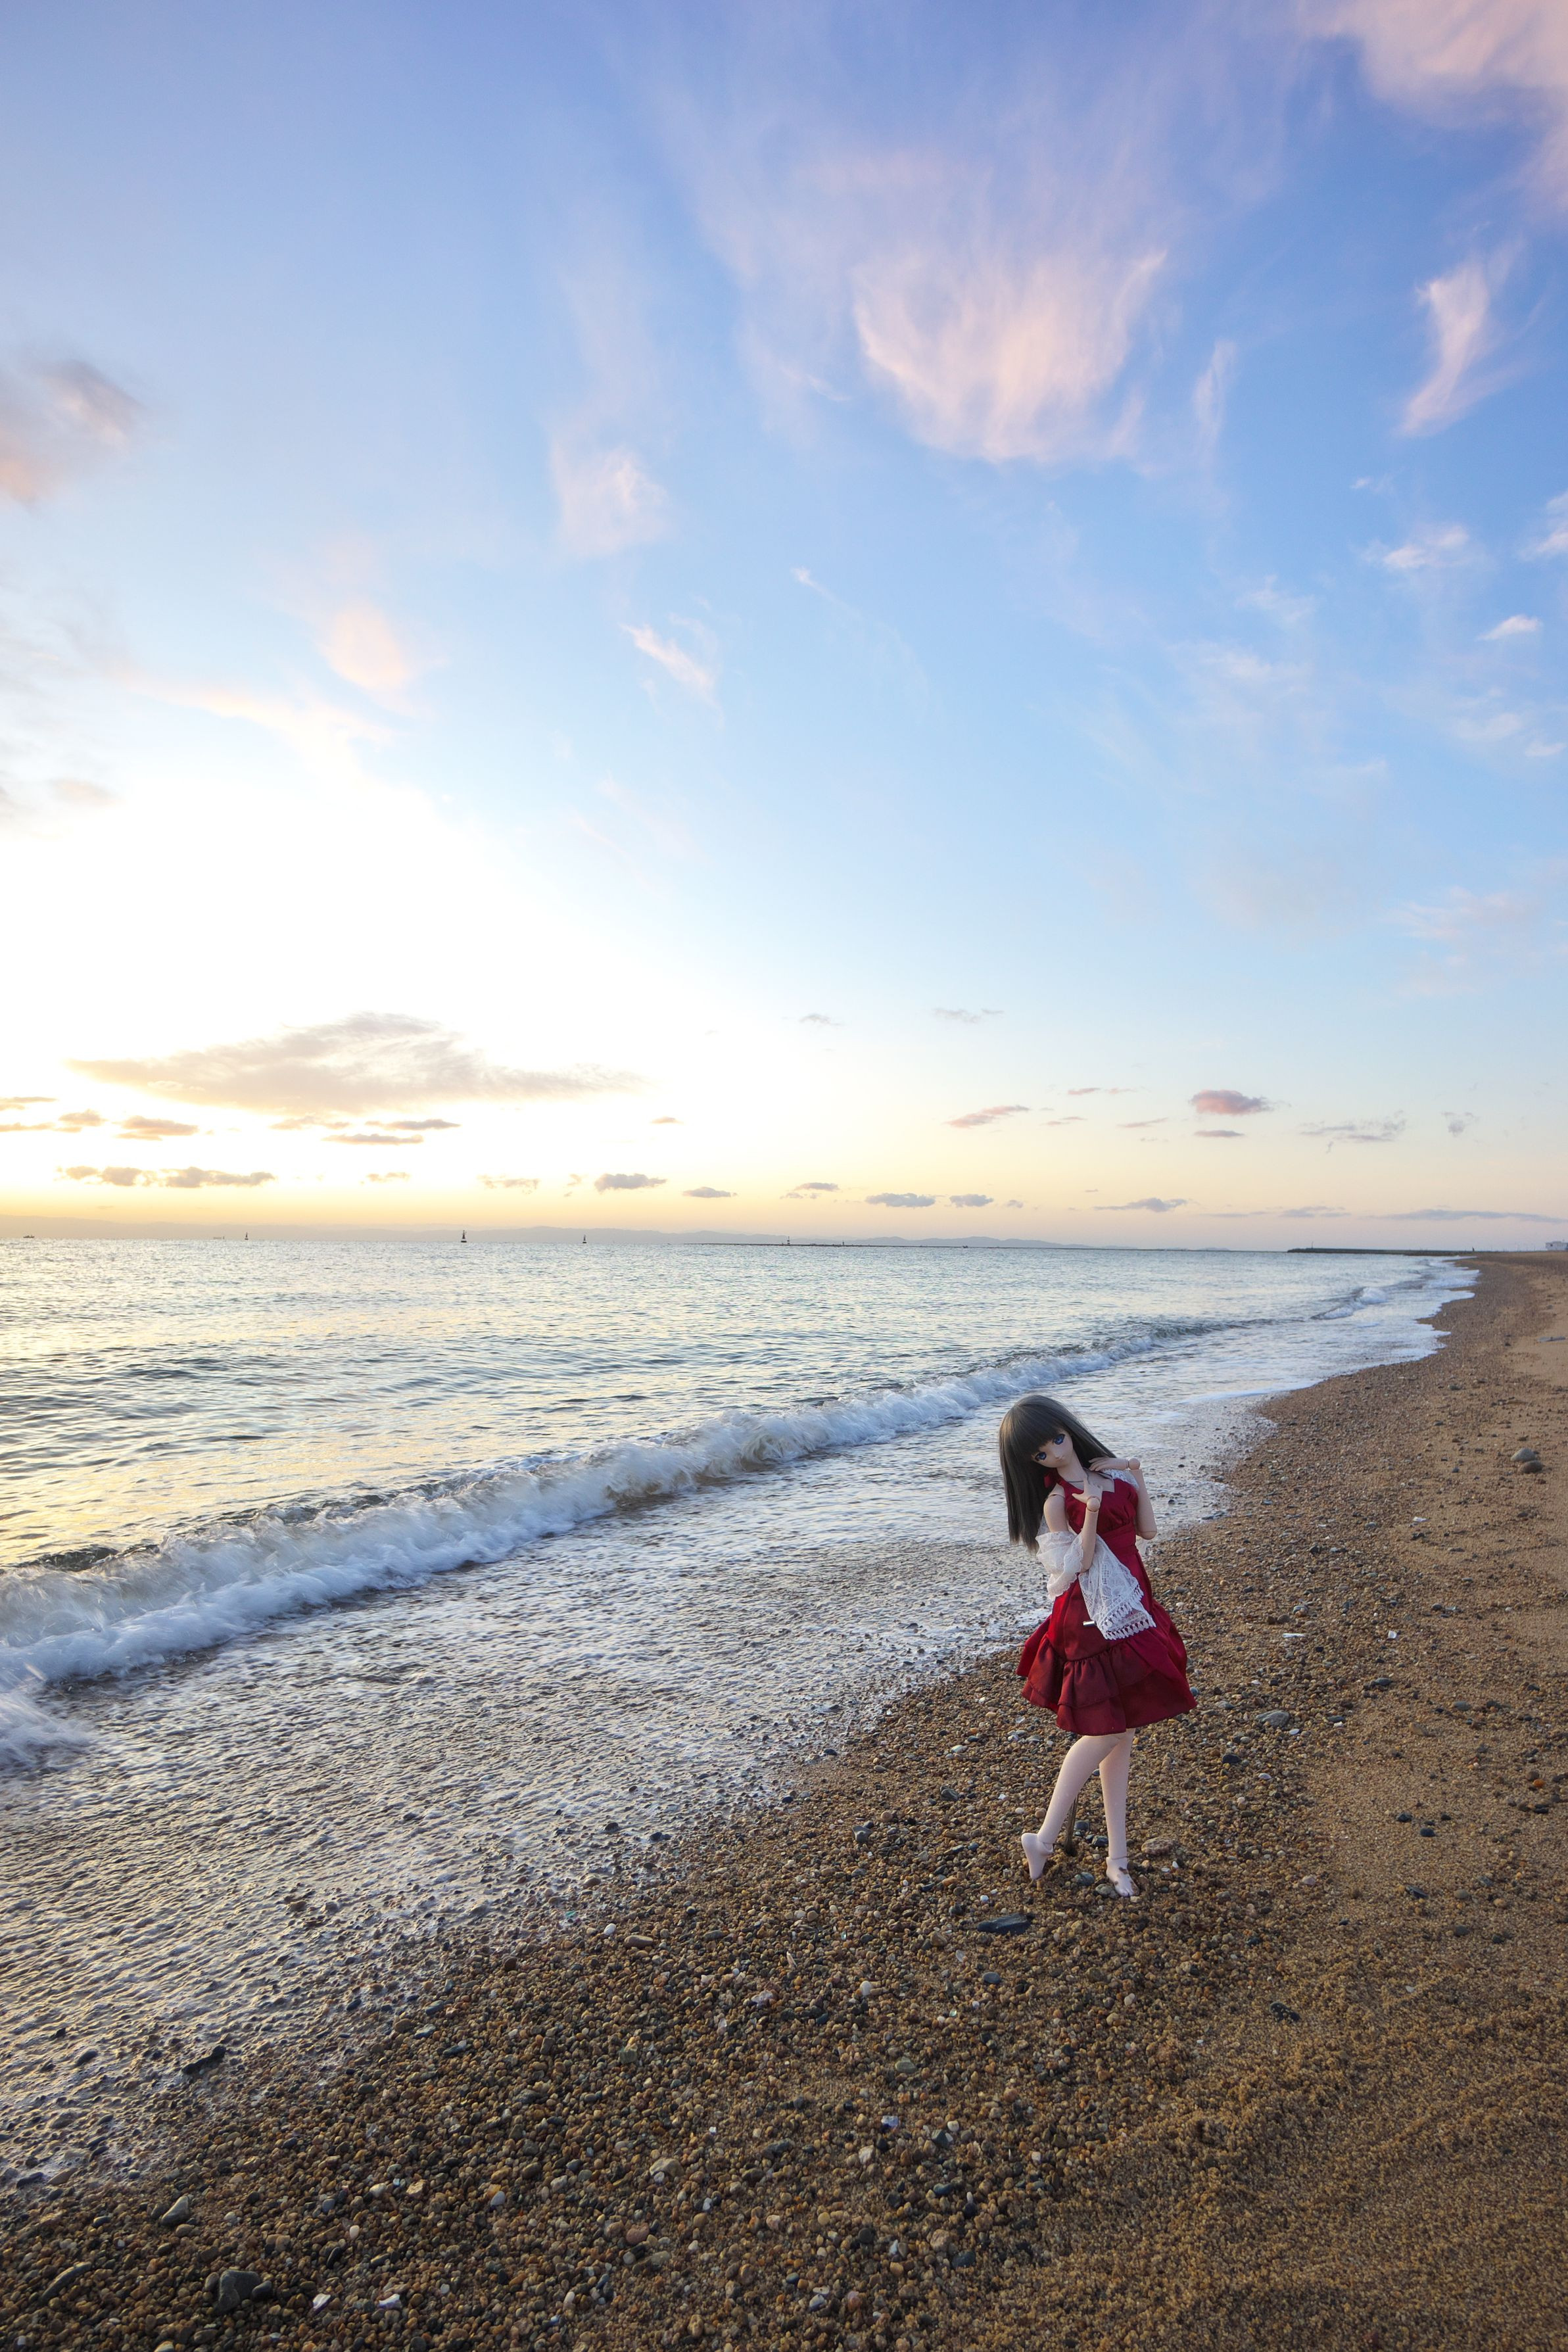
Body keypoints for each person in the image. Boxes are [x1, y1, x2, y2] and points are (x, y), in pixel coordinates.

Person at [999, 1394, 1195, 1898]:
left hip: (1131, 1601)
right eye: (1040, 1452)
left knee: (1121, 1733)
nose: (1054, 1451)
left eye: (1056, 1439)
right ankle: (1043, 1837)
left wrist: (1134, 1471)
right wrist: (1088, 1513)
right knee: (1107, 1731)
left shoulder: (1110, 1474)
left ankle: (1117, 1859)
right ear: (1032, 1462)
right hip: (1089, 1616)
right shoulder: (1055, 1501)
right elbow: (1078, 1565)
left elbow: (1147, 1531)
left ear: (1068, 1429)